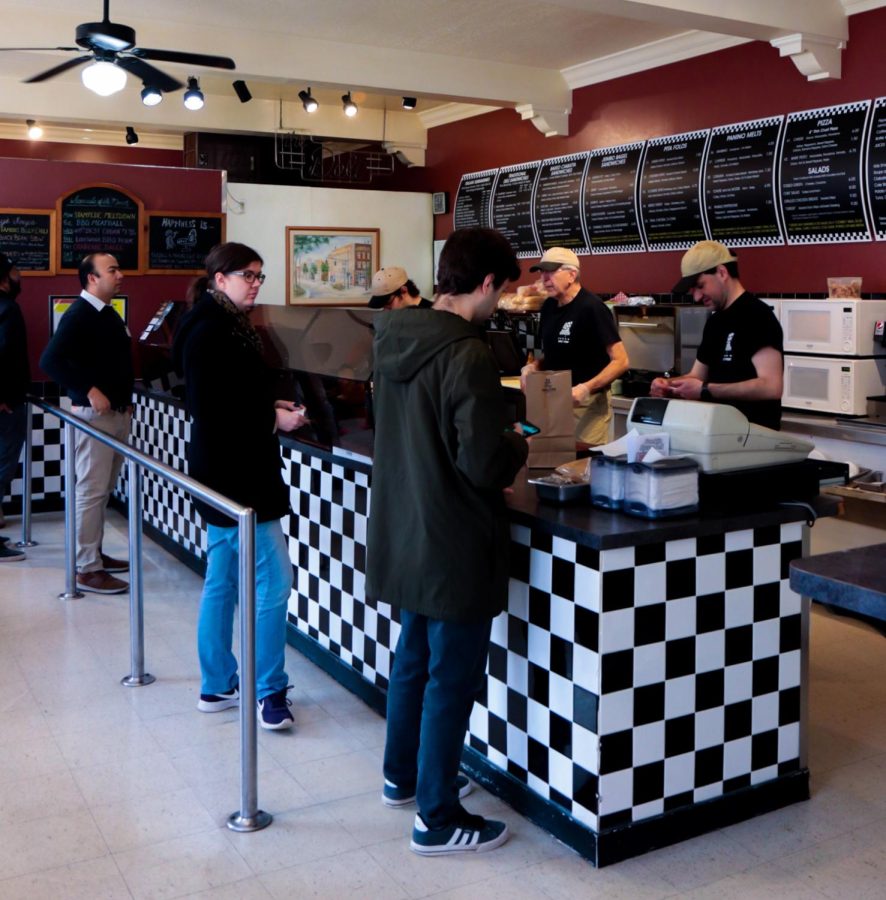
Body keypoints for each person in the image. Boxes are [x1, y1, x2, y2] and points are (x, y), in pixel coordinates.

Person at [367, 227, 529, 855]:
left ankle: (401, 777)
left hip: (405, 527)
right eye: (503, 291)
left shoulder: (391, 338)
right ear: (486, 283)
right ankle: (435, 817)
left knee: (412, 660)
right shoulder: (468, 354)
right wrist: (517, 439)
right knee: (451, 677)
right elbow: (485, 463)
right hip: (455, 537)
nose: (500, 305)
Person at [172, 242, 308, 730]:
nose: (254, 282)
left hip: (218, 472)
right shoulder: (212, 326)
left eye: (259, 275)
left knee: (223, 580)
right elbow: (210, 406)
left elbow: (228, 392)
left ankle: (217, 683)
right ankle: (269, 692)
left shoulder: (214, 319)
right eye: (247, 274)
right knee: (273, 584)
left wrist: (269, 404)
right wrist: (272, 417)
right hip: (239, 477)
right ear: (219, 278)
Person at [40, 252, 133, 592]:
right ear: (92, 278)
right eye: (112, 270)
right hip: (95, 418)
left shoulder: (107, 313)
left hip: (117, 415)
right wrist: (90, 390)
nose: (120, 275)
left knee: (102, 490)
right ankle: (86, 568)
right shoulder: (79, 313)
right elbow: (49, 360)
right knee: (91, 492)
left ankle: (93, 554)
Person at [650, 240, 784, 430]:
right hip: (719, 434)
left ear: (722, 273)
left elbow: (771, 387)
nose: (696, 296)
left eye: (700, 286)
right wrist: (668, 385)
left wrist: (705, 390)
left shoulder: (757, 316)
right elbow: (697, 376)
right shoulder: (715, 321)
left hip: (753, 439)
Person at [521, 247, 628, 445]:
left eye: (551, 271)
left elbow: (621, 361)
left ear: (572, 274)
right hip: (553, 400)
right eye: (542, 272)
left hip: (587, 406)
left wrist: (586, 388)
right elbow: (556, 355)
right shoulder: (548, 307)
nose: (544, 278)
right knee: (552, 468)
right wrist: (533, 367)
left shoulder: (592, 307)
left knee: (581, 469)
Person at [0, 252, 29, 561]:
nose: (20, 275)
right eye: (15, 270)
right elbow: (4, 354)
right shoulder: (8, 309)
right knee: (2, 468)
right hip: (7, 405)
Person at [368, 266, 432, 310]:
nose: (385, 310)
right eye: (383, 306)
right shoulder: (395, 318)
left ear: (403, 290)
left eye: (388, 303)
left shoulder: (432, 314)